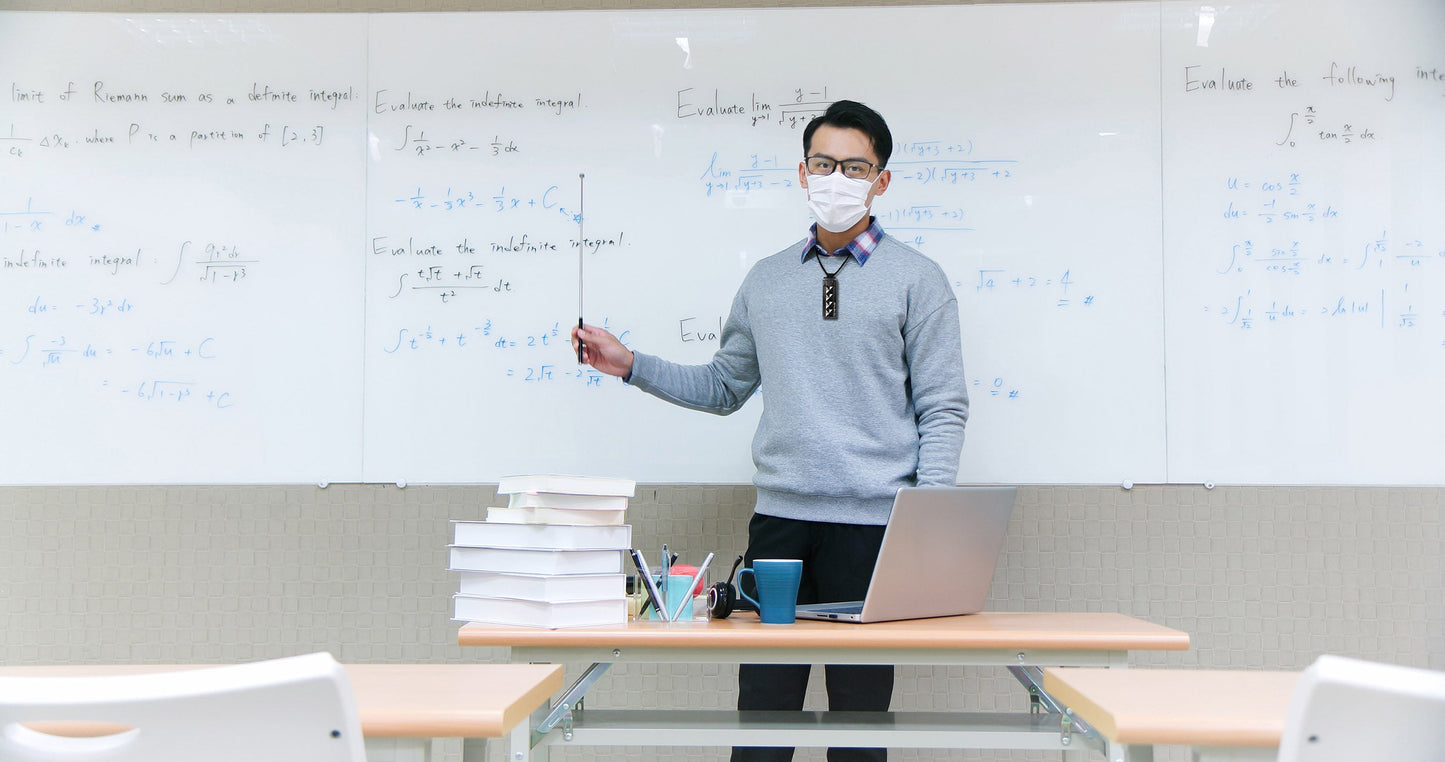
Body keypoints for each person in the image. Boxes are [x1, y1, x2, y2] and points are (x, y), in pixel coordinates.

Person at [571, 99, 969, 762]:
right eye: (823, 163)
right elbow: (724, 388)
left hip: (876, 530)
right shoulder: (766, 279)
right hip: (780, 524)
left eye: (853, 165)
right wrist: (630, 365)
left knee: (861, 726)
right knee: (762, 716)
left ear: (881, 180)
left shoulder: (918, 281)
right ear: (802, 171)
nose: (835, 177)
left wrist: (921, 523)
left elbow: (942, 409)